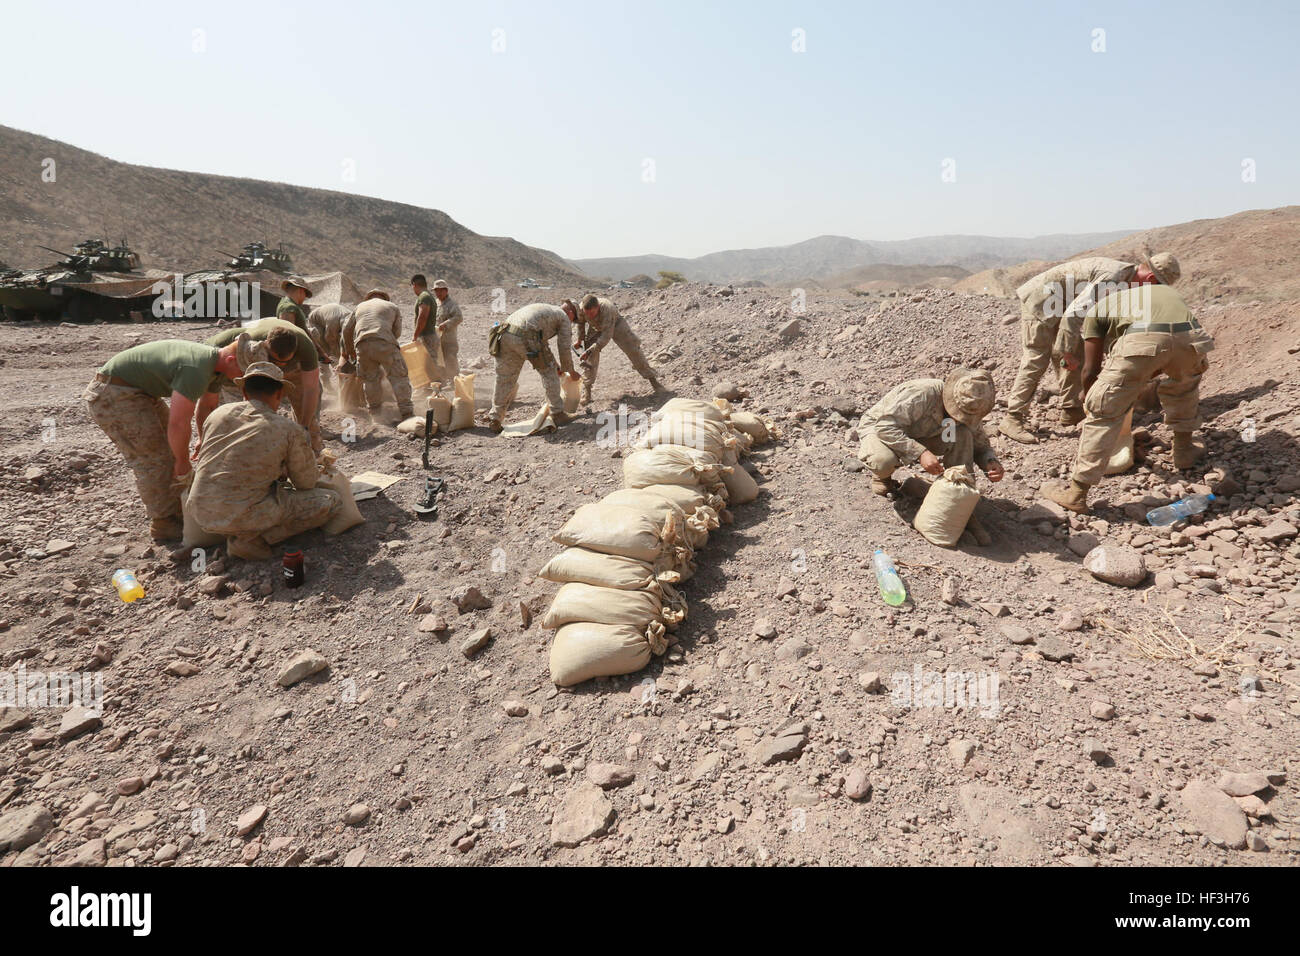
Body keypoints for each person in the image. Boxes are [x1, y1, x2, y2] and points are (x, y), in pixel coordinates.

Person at [1041, 276, 1214, 515]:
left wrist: (1090, 394)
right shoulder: (1159, 293)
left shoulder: (1097, 311)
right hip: (1192, 338)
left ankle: (1076, 493)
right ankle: (1184, 451)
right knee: (1184, 388)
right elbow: (1166, 348)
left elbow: (1091, 369)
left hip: (1145, 340)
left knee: (1103, 409)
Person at [84, 335, 254, 540]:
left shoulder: (216, 369)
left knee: (171, 451)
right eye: (242, 372)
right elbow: (179, 423)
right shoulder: (197, 368)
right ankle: (162, 522)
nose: (242, 378)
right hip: (114, 393)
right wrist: (183, 464)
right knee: (153, 457)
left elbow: (207, 407)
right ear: (231, 361)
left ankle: (176, 511)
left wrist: (203, 441)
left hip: (140, 392)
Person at [998, 255, 1165, 444]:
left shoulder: (1127, 281)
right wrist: (1065, 352)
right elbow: (1073, 315)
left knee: (1076, 352)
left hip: (1063, 305)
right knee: (1037, 359)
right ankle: (1012, 419)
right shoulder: (1112, 277)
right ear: (1151, 280)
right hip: (1041, 301)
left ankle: (1072, 411)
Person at [189, 362, 341, 560]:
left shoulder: (217, 414)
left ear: (244, 392)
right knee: (331, 501)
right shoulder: (287, 429)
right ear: (279, 394)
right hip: (245, 513)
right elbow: (306, 483)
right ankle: (250, 539)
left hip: (200, 510)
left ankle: (236, 531)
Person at [857, 368, 1005, 544]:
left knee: (962, 434)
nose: (961, 417)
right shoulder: (922, 394)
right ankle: (883, 478)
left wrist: (990, 461)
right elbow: (886, 427)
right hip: (881, 428)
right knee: (883, 461)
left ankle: (958, 499)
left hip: (926, 434)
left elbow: (978, 441)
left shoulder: (970, 407)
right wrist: (921, 453)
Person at [206, 317, 323, 452]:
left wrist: (305, 427)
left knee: (306, 412)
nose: (280, 365)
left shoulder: (306, 348)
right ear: (266, 344)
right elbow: (251, 393)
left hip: (294, 368)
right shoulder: (253, 345)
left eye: (284, 362)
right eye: (276, 360)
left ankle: (314, 454)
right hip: (258, 361)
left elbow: (311, 389)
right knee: (249, 409)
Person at [487, 301, 579, 432]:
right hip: (526, 337)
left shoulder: (546, 309)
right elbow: (564, 348)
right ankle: (558, 414)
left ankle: (495, 418)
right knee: (549, 372)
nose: (571, 322)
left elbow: (543, 344)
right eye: (573, 320)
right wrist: (570, 370)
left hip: (504, 334)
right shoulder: (562, 316)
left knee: (504, 378)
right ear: (570, 313)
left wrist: (558, 366)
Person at [575, 293, 663, 405]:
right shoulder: (581, 308)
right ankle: (587, 393)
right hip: (595, 328)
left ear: (597, 307)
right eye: (587, 313)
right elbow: (581, 323)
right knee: (589, 360)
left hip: (616, 325)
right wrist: (580, 339)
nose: (589, 316)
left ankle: (654, 381)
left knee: (633, 350)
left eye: (592, 313)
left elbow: (606, 335)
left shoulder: (607, 309)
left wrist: (592, 349)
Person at [342, 289, 414, 423]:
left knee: (370, 379)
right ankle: (407, 413)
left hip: (362, 345)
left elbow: (346, 329)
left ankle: (376, 415)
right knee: (398, 376)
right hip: (385, 342)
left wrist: (350, 350)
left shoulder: (359, 307)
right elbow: (397, 331)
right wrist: (386, 343)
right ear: (385, 298)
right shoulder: (392, 306)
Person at [306, 302, 352, 392]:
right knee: (325, 351)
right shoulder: (334, 322)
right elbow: (330, 340)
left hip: (327, 317)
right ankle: (326, 381)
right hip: (316, 322)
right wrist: (340, 362)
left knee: (338, 345)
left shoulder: (351, 317)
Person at [410, 274, 440, 383]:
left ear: (414, 285)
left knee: (429, 365)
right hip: (429, 336)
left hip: (427, 336)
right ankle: (430, 388)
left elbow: (422, 317)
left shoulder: (424, 297)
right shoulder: (428, 296)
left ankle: (435, 389)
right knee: (428, 364)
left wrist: (415, 335)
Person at [432, 279, 464, 379]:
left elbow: (458, 317)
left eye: (441, 290)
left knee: (450, 359)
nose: (439, 293)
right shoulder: (435, 303)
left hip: (449, 339)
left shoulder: (452, 304)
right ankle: (441, 380)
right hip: (437, 339)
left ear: (446, 291)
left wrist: (445, 324)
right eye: (436, 290)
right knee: (438, 360)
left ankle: (453, 381)